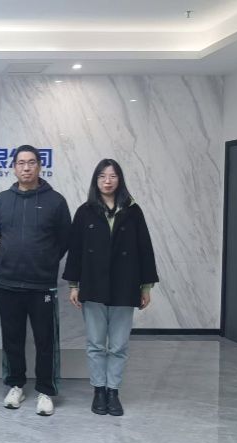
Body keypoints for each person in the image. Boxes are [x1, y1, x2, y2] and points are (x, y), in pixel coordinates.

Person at [63, 159, 158, 417]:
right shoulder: (85, 212)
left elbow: (145, 249)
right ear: (96, 180)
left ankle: (113, 391)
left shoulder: (133, 211)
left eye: (113, 176)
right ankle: (99, 390)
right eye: (102, 176)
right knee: (95, 343)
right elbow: (75, 251)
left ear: (120, 180)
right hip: (93, 285)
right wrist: (73, 285)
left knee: (118, 345)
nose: (107, 181)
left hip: (124, 286)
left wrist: (146, 287)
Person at [0, 144, 71, 416]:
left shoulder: (55, 201)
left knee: (45, 340)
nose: (26, 167)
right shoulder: (2, 200)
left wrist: (45, 260)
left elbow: (64, 239)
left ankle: (46, 390)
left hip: (42, 285)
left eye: (31, 162)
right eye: (21, 163)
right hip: (9, 283)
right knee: (12, 338)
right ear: (14, 168)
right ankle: (16, 385)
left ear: (39, 166)